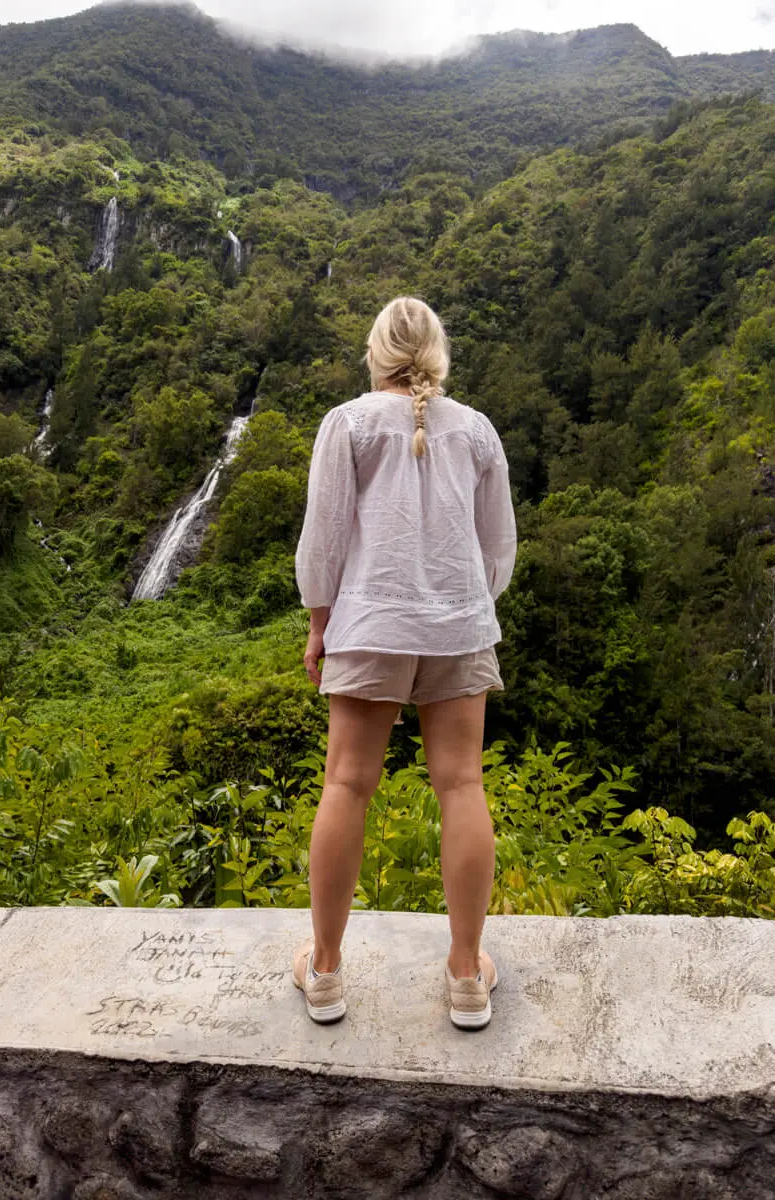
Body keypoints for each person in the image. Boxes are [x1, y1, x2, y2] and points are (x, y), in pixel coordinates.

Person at [291, 295, 517, 1029]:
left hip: (368, 624)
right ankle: (465, 977)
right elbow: (497, 548)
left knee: (347, 784)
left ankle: (324, 972)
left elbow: (323, 542)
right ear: (437, 355)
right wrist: (463, 605)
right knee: (461, 784)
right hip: (458, 628)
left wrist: (320, 623)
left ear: (376, 353)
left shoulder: (349, 424)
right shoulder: (477, 431)